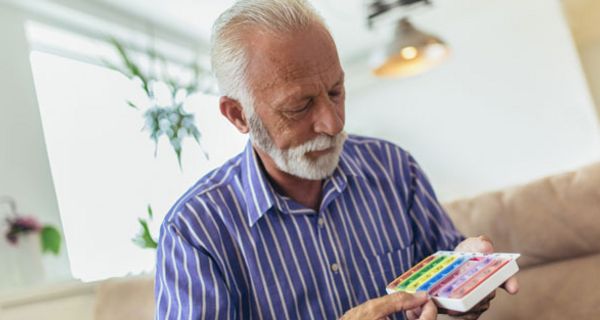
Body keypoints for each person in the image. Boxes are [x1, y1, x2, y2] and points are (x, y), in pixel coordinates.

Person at [155, 1, 518, 319]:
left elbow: (446, 274)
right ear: (237, 115)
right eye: (299, 106)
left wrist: (467, 278)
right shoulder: (194, 233)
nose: (333, 123)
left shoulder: (394, 168)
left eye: (336, 91)